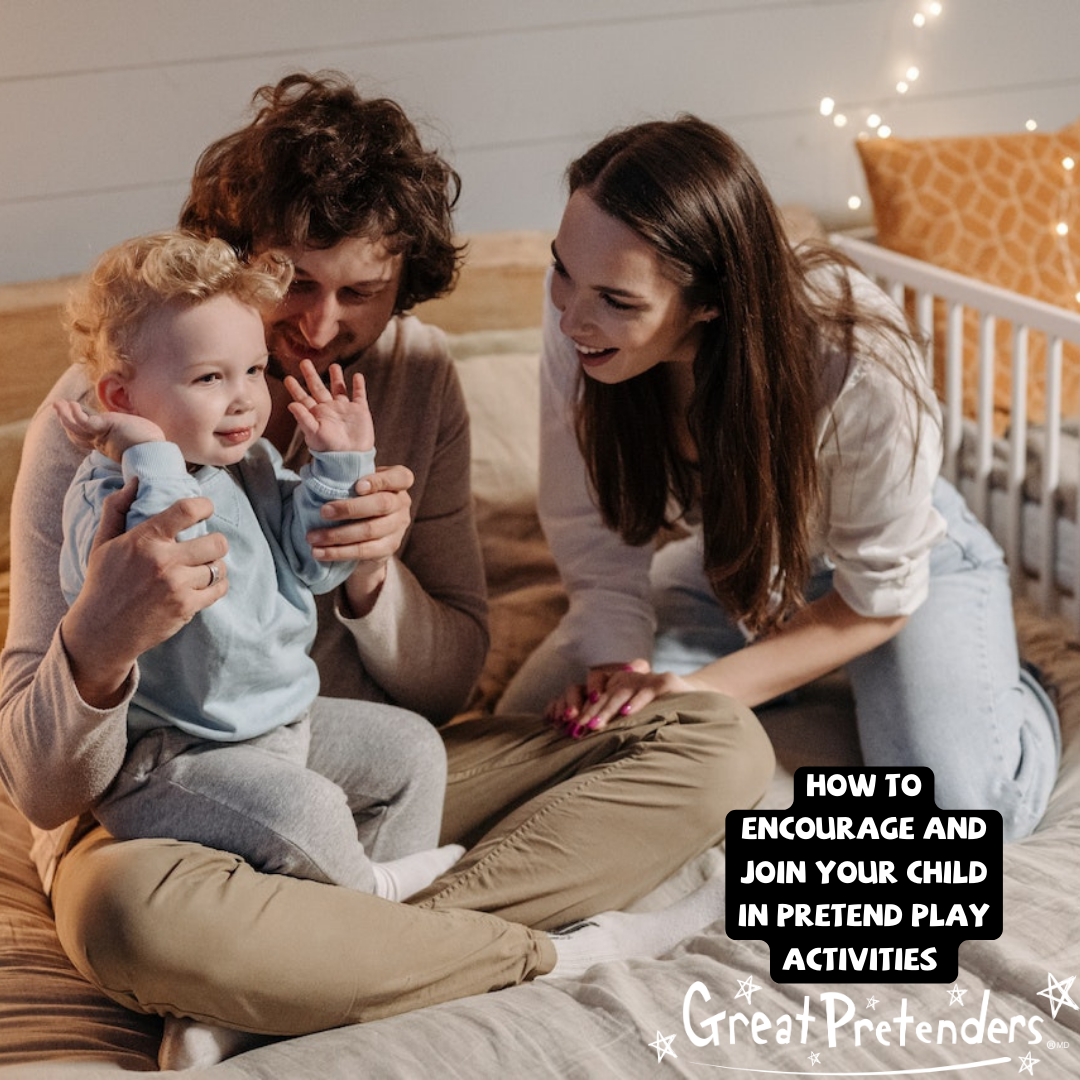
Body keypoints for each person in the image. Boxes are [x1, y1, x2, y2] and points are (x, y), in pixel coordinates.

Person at [0, 74, 775, 1065]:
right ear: (237, 266)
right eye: (293, 284)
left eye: (360, 293)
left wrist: (375, 577)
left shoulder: (415, 374)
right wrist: (100, 641)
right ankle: (543, 951)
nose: (320, 328)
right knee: (123, 919)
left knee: (720, 743)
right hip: (169, 808)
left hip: (357, 771)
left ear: (401, 287)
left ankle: (309, 971)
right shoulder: (109, 411)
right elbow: (40, 787)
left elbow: (446, 688)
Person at [497, 115, 1061, 843]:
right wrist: (622, 665)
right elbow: (593, 535)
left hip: (889, 573)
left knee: (959, 810)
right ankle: (793, 680)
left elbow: (876, 599)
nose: (572, 317)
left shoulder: (856, 358)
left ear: (710, 300)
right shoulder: (580, 313)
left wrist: (695, 690)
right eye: (563, 270)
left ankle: (1015, 693)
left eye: (617, 301)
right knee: (553, 739)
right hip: (735, 566)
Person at [56, 230, 462, 900]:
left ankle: (373, 929)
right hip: (176, 759)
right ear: (121, 399)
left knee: (414, 750)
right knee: (309, 811)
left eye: (253, 370)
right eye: (210, 377)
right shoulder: (109, 493)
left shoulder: (250, 469)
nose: (244, 397)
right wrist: (143, 449)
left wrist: (341, 465)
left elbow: (316, 568)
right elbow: (169, 558)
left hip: (279, 722)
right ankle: (379, 898)